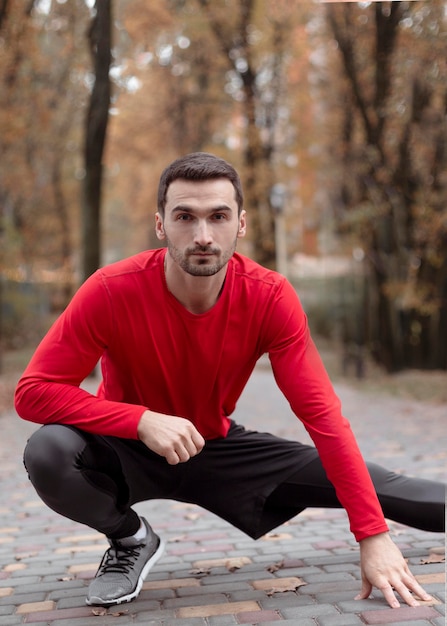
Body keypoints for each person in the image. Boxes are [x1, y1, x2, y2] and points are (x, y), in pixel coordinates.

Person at [15, 152, 444, 610]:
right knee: (48, 451)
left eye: (218, 216)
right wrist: (140, 420)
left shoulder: (269, 296)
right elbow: (33, 392)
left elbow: (321, 415)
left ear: (240, 224)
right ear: (160, 224)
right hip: (122, 446)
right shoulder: (109, 290)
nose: (202, 235)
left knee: (384, 488)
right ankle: (130, 539)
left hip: (216, 447)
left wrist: (373, 535)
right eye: (185, 216)